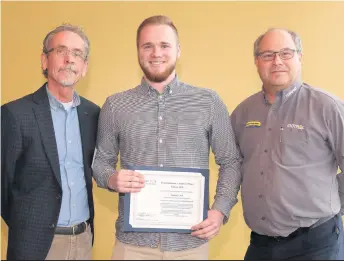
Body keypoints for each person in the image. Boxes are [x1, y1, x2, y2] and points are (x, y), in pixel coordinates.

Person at [92, 15, 242, 260]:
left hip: (190, 246)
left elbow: (231, 161)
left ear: (178, 50)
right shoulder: (116, 105)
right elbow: (100, 162)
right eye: (147, 46)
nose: (156, 53)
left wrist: (220, 210)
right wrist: (111, 178)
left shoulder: (208, 102)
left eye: (164, 45)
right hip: (132, 247)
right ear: (138, 51)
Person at [231, 28, 344, 260]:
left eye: (286, 53)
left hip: (317, 245)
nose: (277, 61)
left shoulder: (328, 107)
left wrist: (333, 203)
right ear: (256, 61)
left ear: (300, 57)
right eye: (268, 55)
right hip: (261, 245)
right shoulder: (242, 113)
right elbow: (232, 167)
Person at [1, 24, 100, 260]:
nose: (69, 59)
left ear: (84, 67)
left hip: (83, 241)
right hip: (34, 246)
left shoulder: (93, 114)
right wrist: (26, 226)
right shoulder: (15, 114)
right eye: (61, 51)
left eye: (77, 54)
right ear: (45, 61)